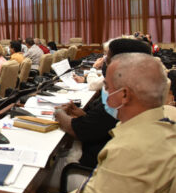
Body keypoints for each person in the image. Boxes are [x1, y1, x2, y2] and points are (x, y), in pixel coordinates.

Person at [41, 53, 175, 193]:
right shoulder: (165, 126)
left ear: (124, 95)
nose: (105, 92)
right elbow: (113, 187)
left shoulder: (128, 149)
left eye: (107, 86)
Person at [54, 38, 152, 168]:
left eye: (108, 57)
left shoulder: (120, 98)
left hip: (92, 167)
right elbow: (100, 124)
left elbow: (80, 130)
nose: (104, 61)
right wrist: (82, 114)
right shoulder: (142, 90)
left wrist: (58, 113)